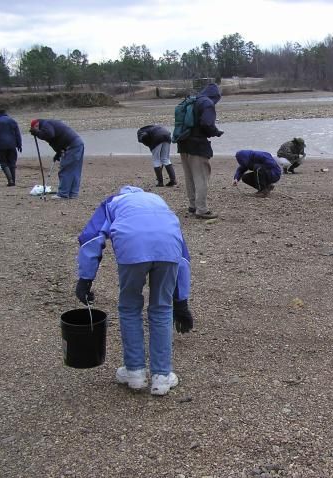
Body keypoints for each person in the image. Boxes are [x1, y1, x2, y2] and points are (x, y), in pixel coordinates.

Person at [75, 186, 194, 396]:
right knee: (162, 309)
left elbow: (92, 238)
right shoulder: (159, 201)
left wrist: (85, 279)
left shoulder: (112, 202)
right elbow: (182, 254)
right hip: (168, 247)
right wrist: (181, 300)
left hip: (132, 247)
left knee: (129, 307)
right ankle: (162, 377)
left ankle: (135, 373)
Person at [176, 83, 224, 219]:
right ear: (216, 96)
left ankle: (193, 206)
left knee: (189, 176)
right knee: (201, 177)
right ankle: (202, 210)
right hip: (197, 145)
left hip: (183, 143)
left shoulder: (193, 100)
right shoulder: (207, 103)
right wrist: (216, 132)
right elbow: (207, 123)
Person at [29, 119, 84, 199]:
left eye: (36, 129)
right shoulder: (47, 125)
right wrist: (58, 152)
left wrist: (37, 133)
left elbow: (49, 135)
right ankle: (73, 193)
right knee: (74, 170)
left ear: (36, 125)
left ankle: (63, 194)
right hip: (77, 143)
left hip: (72, 145)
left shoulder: (45, 124)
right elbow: (55, 140)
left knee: (65, 169)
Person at [0, 109, 22, 186]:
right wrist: (19, 144)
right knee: (12, 162)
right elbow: (17, 133)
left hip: (1, 146)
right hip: (12, 145)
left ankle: (10, 181)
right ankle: (13, 180)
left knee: (3, 163)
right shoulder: (12, 120)